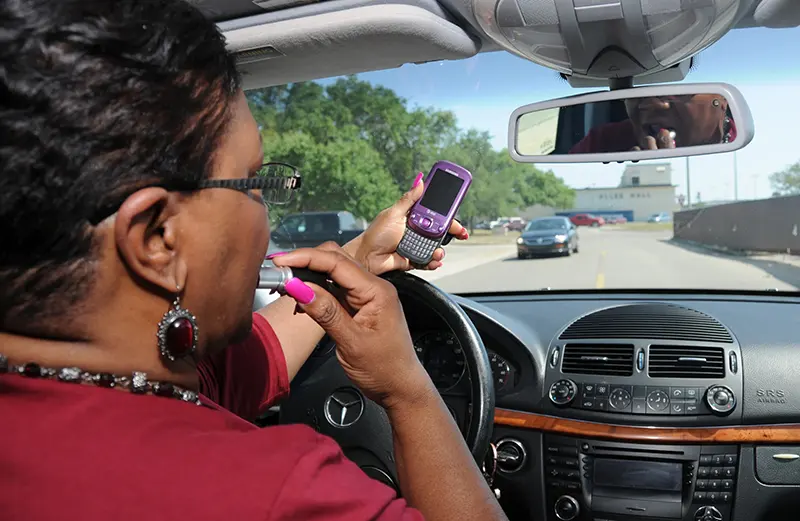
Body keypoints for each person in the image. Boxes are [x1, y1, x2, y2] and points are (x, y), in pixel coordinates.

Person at [0, 1, 507, 521]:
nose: (266, 215)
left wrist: (361, 254)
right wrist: (408, 391)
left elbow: (249, 364)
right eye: (255, 183)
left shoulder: (113, 377)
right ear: (157, 236)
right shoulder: (282, 495)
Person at [569, 94, 737, 153]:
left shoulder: (738, 151)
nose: (649, 104)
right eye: (636, 91)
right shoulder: (602, 141)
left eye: (678, 92)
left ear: (722, 102)